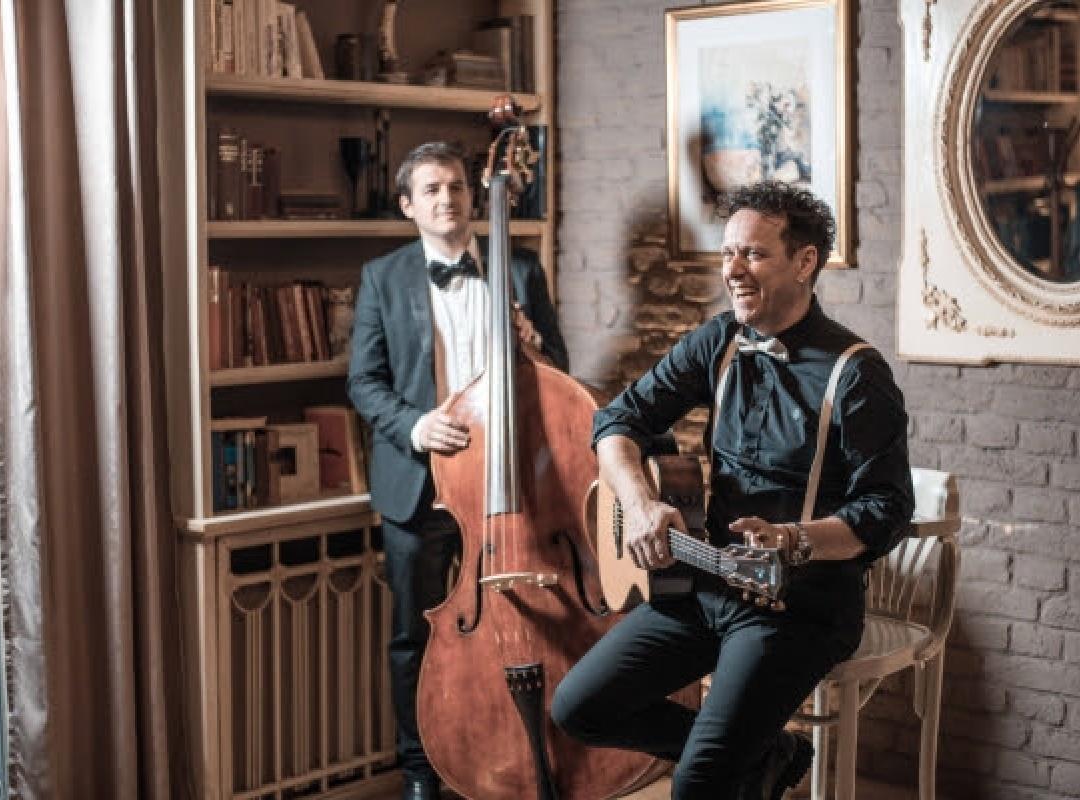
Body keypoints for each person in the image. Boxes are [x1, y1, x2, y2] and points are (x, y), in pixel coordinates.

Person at [550, 181, 915, 800]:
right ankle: (767, 756)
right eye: (727, 253)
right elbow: (616, 421)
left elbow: (887, 511)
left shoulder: (856, 374)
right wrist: (640, 505)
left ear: (805, 262)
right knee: (579, 708)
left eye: (754, 254)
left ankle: (726, 765)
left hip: (799, 606)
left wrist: (793, 539)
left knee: (695, 787)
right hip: (703, 583)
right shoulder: (717, 342)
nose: (733, 270)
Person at [347, 141, 567, 800]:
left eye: (457, 187)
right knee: (414, 639)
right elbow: (364, 381)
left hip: (507, 486)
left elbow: (558, 369)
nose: (447, 199)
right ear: (408, 205)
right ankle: (421, 773)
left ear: (475, 197)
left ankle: (510, 758)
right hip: (420, 487)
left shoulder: (520, 269)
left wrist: (535, 347)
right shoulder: (382, 277)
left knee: (519, 627)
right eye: (432, 189)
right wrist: (415, 426)